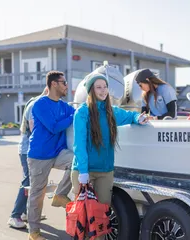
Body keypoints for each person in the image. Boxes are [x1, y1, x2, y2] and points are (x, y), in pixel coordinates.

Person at [71, 72, 149, 240]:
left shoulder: (111, 111)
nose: (103, 90)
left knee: (100, 220)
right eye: (98, 87)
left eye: (105, 87)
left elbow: (129, 116)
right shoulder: (82, 113)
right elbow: (79, 145)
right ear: (91, 90)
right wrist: (83, 172)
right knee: (83, 220)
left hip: (105, 172)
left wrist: (138, 117)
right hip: (84, 172)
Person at [27, 71, 75, 240]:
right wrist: (71, 117)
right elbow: (54, 127)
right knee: (37, 193)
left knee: (77, 161)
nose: (66, 86)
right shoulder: (40, 104)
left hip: (58, 152)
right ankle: (33, 232)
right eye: (64, 82)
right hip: (39, 155)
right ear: (54, 84)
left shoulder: (64, 106)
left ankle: (60, 195)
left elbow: (78, 113)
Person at [7, 87, 48, 229]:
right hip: (27, 150)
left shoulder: (42, 103)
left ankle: (25, 213)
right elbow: (33, 129)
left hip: (33, 150)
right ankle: (14, 216)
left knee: (34, 181)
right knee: (28, 181)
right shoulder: (35, 104)